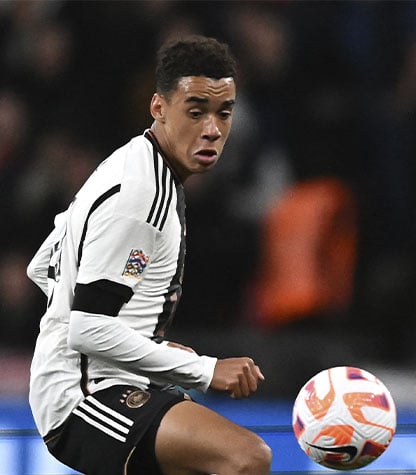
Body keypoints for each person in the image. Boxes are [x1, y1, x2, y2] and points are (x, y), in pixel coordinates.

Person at [26, 35, 272, 474]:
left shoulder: (134, 163)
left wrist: (141, 344)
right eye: (195, 112)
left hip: (112, 380)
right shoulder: (142, 194)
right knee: (245, 458)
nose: (212, 128)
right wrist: (202, 369)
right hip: (84, 396)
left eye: (224, 113)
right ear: (158, 107)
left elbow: (45, 264)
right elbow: (87, 328)